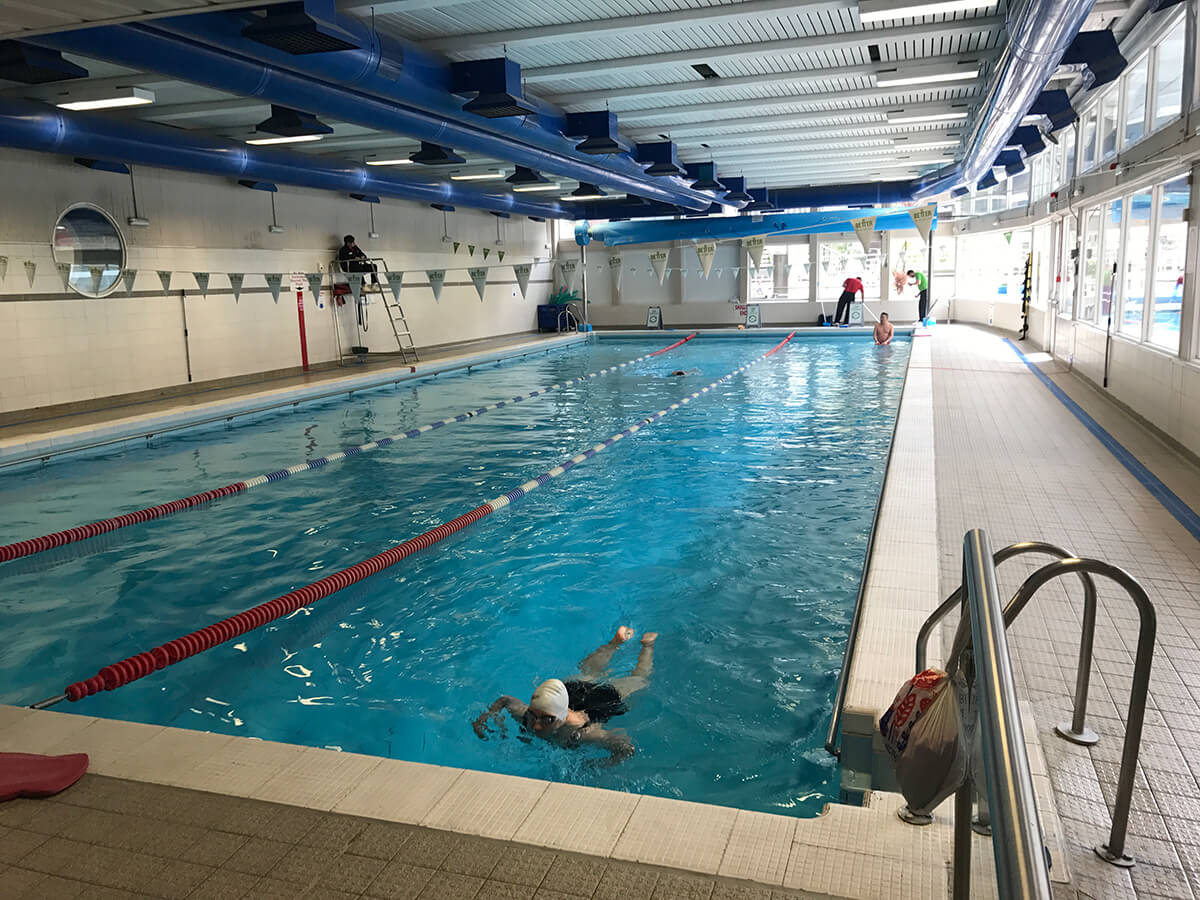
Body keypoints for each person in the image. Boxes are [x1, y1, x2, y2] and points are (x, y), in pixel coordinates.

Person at [472, 627, 657, 766]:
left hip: (598, 700)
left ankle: (648, 645)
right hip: (570, 691)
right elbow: (505, 700)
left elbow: (626, 748)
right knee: (587, 672)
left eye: (547, 720)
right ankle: (615, 642)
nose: (535, 726)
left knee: (639, 680)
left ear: (562, 717)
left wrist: (596, 765)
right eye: (533, 715)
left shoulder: (583, 733)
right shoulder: (526, 716)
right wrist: (483, 720)